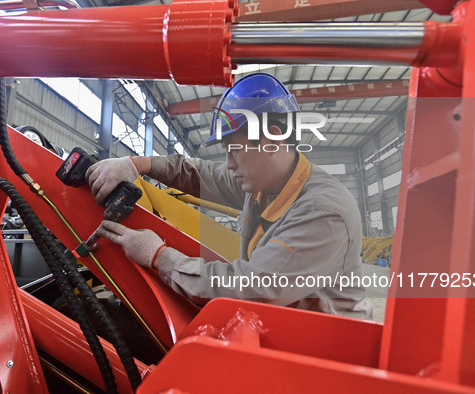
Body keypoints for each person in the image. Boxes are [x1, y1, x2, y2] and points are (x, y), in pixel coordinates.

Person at [87, 73, 373, 320]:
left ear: (272, 140)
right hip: (286, 320)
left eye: (233, 150)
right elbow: (200, 174)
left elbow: (251, 289)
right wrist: (137, 164)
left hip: (327, 347)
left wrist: (159, 256)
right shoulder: (265, 183)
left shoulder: (322, 212)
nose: (228, 163)